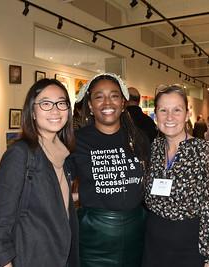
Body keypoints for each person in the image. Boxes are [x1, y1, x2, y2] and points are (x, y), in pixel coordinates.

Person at [0, 79, 79, 267]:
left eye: (61, 103)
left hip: (61, 254)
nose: (55, 110)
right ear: (32, 112)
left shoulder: (62, 153)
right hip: (31, 257)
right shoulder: (20, 154)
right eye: (45, 103)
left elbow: (49, 199)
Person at [142, 85, 209, 267]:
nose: (169, 117)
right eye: (163, 110)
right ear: (156, 115)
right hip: (153, 246)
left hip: (190, 247)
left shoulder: (206, 152)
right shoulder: (154, 148)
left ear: (186, 114)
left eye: (177, 110)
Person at [70, 73, 149, 267]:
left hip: (137, 234)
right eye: (99, 96)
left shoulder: (139, 138)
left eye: (114, 96)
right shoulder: (76, 141)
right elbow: (56, 180)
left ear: (123, 103)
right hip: (93, 240)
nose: (107, 102)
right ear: (90, 105)